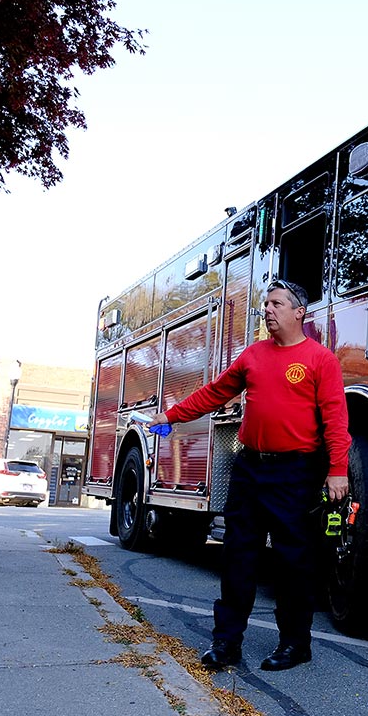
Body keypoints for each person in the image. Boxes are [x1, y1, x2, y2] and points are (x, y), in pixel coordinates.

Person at [150, 279, 351, 671]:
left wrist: (338, 470)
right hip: (250, 469)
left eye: (276, 304)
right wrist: (170, 415)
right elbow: (214, 393)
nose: (268, 310)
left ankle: (295, 644)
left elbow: (335, 419)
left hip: (295, 472)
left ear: (299, 312)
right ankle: (226, 642)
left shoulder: (320, 360)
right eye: (266, 304)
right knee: (238, 556)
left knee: (292, 561)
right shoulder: (253, 355)